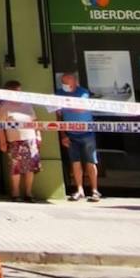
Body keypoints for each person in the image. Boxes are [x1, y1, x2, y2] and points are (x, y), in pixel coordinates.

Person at [56, 71, 101, 202]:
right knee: (75, 162)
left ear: (74, 82)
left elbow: (80, 109)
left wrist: (67, 106)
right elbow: (58, 116)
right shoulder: (59, 94)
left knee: (90, 162)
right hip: (70, 134)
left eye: (67, 82)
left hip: (87, 133)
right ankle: (79, 190)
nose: (64, 85)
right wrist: (63, 134)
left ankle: (94, 190)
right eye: (63, 82)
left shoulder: (83, 92)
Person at [0, 80, 40, 201]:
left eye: (19, 91)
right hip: (15, 141)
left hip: (30, 140)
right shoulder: (3, 107)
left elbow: (35, 122)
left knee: (30, 168)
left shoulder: (27, 105)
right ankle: (15, 193)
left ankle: (28, 193)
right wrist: (2, 142)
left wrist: (38, 135)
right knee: (16, 168)